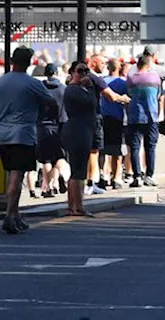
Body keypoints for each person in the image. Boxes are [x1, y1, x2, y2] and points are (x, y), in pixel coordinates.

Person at [0, 46, 54, 234]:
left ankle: (15, 214)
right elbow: (52, 102)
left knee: (11, 172)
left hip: (3, 133)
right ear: (29, 62)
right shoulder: (32, 83)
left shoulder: (0, 81)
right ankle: (9, 216)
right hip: (24, 133)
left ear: (12, 60)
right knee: (16, 176)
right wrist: (39, 111)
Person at [61, 61, 100, 217]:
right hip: (78, 131)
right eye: (80, 71)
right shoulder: (74, 90)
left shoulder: (77, 89)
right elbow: (92, 103)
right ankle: (78, 207)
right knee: (79, 171)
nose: (84, 74)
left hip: (81, 129)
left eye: (86, 70)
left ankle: (73, 206)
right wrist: (90, 87)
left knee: (76, 170)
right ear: (72, 72)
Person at [124, 54, 161, 188]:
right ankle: (149, 176)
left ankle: (137, 176)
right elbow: (158, 96)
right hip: (151, 116)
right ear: (148, 65)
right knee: (150, 147)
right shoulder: (155, 78)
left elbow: (128, 95)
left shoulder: (131, 79)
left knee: (135, 148)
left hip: (134, 116)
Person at [34, 66, 64, 199]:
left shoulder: (39, 89)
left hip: (41, 126)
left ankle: (48, 186)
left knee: (45, 159)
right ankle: (55, 181)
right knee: (59, 157)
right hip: (59, 126)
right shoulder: (63, 89)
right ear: (56, 73)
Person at [99, 58, 128, 191]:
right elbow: (128, 100)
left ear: (108, 67)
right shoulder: (123, 83)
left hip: (103, 116)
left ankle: (102, 176)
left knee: (102, 150)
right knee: (117, 151)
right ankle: (116, 178)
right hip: (117, 118)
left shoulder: (102, 81)